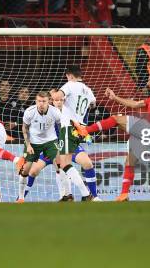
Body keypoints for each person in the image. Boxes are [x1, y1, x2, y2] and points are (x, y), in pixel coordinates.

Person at [73, 72, 150, 202]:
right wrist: (115, 98)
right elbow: (135, 104)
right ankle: (124, 194)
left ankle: (85, 130)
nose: (148, 83)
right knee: (129, 162)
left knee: (116, 118)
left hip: (149, 128)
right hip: (147, 134)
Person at [50, 65, 99, 201]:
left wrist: (53, 94)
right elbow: (93, 104)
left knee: (64, 163)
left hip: (69, 127)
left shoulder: (70, 85)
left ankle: (85, 194)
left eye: (67, 77)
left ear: (70, 76)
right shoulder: (88, 90)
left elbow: (58, 96)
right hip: (79, 129)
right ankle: (82, 195)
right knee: (62, 162)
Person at [16, 91, 62, 202]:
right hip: (33, 143)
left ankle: (64, 195)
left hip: (50, 141)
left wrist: (61, 141)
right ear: (36, 101)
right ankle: (21, 198)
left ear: (49, 101)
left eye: (44, 101)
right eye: (39, 101)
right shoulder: (29, 112)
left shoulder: (55, 112)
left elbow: (61, 127)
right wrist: (28, 145)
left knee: (60, 166)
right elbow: (25, 128)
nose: (41, 104)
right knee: (25, 170)